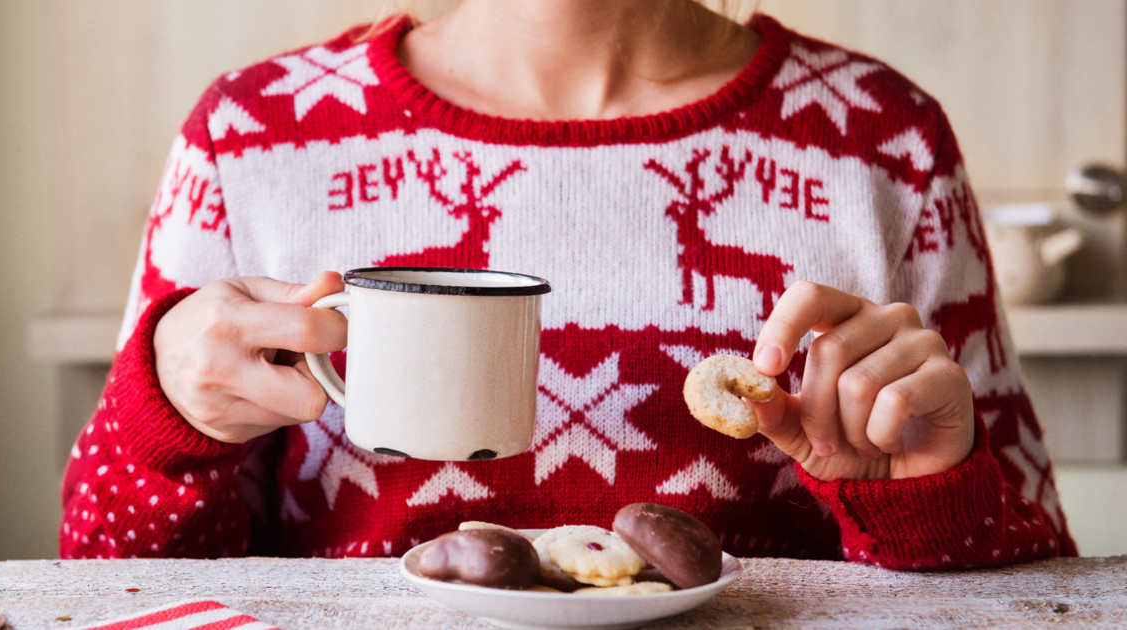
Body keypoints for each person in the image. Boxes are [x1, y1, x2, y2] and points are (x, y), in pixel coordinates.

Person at [60, 0, 1078, 568]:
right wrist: (164, 424)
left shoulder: (882, 138)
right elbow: (108, 574)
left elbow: (1025, 582)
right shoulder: (253, 137)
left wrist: (927, 496)